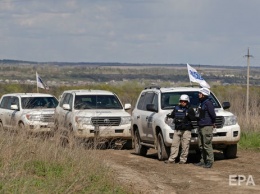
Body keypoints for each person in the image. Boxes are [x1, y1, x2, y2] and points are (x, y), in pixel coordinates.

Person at [164, 94, 196, 164]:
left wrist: (188, 115)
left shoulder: (190, 109)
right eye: (181, 101)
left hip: (186, 130)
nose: (183, 102)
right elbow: (172, 115)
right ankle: (171, 159)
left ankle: (183, 160)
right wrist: (169, 116)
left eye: (184, 101)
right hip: (177, 129)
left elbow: (193, 118)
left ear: (187, 101)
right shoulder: (176, 108)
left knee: (185, 145)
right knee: (174, 145)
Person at [194, 88, 216, 168]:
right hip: (201, 126)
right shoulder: (201, 103)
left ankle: (210, 161)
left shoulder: (208, 103)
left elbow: (213, 115)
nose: (198, 94)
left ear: (204, 94)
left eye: (200, 93)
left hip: (207, 126)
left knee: (207, 144)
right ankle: (203, 160)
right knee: (201, 145)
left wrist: (212, 122)